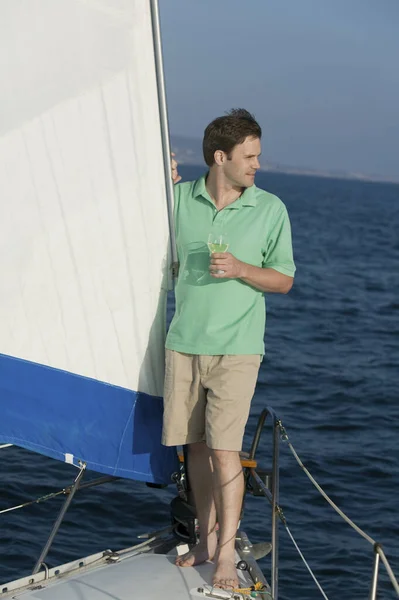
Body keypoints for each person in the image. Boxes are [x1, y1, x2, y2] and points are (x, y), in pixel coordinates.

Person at [164, 109, 296, 590]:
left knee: (224, 452)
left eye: (258, 155)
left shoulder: (270, 209)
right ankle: (203, 537)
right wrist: (157, 177)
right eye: (250, 156)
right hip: (183, 345)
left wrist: (241, 267)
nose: (257, 164)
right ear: (221, 157)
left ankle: (223, 554)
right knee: (194, 450)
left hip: (238, 349)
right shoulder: (176, 200)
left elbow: (283, 280)